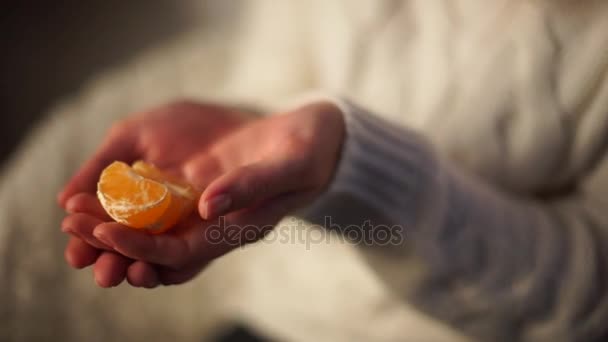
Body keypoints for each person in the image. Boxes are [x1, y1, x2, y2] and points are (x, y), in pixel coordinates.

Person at [3, 0, 608, 341]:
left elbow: (587, 298)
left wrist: (353, 169)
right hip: (270, 321)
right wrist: (247, 119)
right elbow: (272, 91)